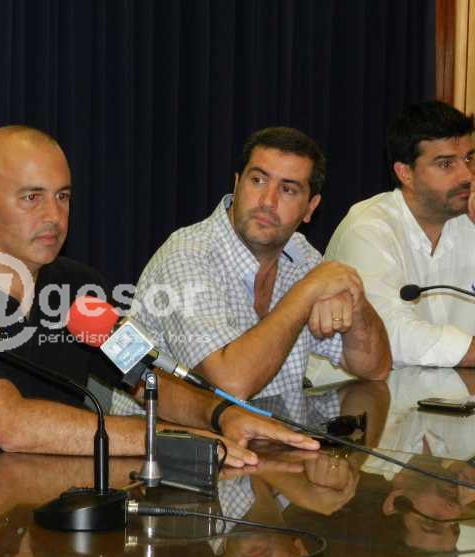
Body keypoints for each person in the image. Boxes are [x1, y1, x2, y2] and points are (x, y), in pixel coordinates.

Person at [0, 125, 320, 468]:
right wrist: (172, 440)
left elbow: (145, 380)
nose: (54, 216)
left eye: (63, 197)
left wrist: (223, 416)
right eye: (31, 198)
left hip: (63, 505)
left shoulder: (80, 288)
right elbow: (9, 425)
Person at [132, 126, 391, 402]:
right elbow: (230, 385)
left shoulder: (302, 256)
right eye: (257, 180)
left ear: (310, 208)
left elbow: (375, 368)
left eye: (288, 189)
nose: (268, 201)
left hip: (270, 425)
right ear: (236, 184)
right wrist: (306, 292)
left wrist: (355, 298)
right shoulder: (188, 254)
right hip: (160, 428)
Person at [316, 101, 475, 368]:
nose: (466, 175)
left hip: (444, 387)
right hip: (354, 388)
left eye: (469, 158)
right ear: (405, 173)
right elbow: (389, 331)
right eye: (446, 164)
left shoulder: (468, 218)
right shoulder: (368, 228)